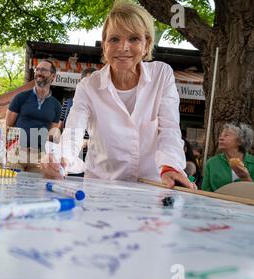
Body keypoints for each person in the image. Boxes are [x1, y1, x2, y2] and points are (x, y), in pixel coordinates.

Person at [41, 1, 195, 189]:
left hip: (153, 186)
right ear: (104, 46)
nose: (123, 47)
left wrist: (170, 167)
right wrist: (60, 161)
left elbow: (169, 128)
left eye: (134, 39)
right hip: (101, 188)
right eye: (114, 39)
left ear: (146, 44)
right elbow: (74, 133)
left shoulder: (161, 75)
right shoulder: (88, 86)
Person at [5, 59, 62, 153]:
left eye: (43, 70)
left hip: (39, 155)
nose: (39, 72)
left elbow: (51, 135)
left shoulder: (56, 105)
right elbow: (7, 127)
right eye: (37, 69)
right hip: (17, 152)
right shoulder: (21, 97)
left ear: (53, 76)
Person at [202, 123, 254, 192]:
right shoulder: (211, 163)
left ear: (240, 141)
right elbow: (205, 191)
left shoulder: (252, 163)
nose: (220, 138)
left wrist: (246, 178)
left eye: (226, 135)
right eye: (221, 135)